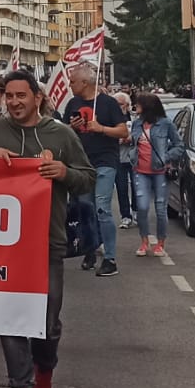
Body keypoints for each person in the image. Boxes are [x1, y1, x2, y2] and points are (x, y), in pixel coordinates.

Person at [0, 69, 95, 388]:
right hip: (2, 245)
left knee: (46, 322)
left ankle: (45, 366)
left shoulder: (60, 134)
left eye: (20, 96)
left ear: (37, 97)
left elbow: (87, 179)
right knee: (10, 318)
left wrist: (64, 173)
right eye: (9, 96)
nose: (13, 102)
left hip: (47, 242)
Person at [63, 62, 129, 277]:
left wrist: (101, 128)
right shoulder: (73, 103)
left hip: (104, 162)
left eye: (73, 81)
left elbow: (122, 131)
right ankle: (89, 249)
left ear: (84, 82)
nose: (70, 85)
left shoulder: (108, 103)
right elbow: (64, 132)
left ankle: (110, 259)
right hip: (82, 164)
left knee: (102, 207)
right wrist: (71, 129)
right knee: (85, 209)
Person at [127, 92, 183, 257]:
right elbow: (133, 142)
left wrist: (166, 157)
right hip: (140, 171)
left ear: (147, 106)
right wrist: (132, 152)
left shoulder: (165, 124)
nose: (135, 107)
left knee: (160, 209)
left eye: (138, 104)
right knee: (142, 207)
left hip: (160, 172)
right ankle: (144, 241)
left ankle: (160, 242)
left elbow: (179, 145)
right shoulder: (137, 124)